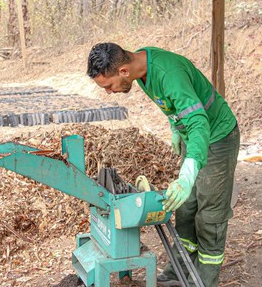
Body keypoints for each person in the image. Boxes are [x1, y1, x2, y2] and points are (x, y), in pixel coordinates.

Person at [87, 43, 240, 287]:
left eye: (108, 86)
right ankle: (178, 271)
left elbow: (199, 122)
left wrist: (187, 175)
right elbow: (172, 104)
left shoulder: (169, 73)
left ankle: (203, 280)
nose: (108, 92)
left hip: (216, 136)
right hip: (192, 135)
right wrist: (175, 127)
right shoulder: (141, 69)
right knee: (186, 208)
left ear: (124, 71)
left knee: (210, 214)